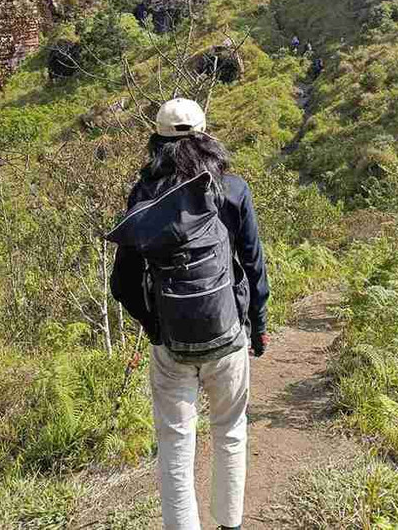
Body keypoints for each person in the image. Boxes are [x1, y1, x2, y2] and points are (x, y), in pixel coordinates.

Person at [109, 98, 270, 530]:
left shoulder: (145, 197)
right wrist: (257, 328)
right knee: (230, 433)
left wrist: (155, 327)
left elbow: (122, 284)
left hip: (173, 342)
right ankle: (230, 525)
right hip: (228, 332)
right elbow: (254, 265)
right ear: (206, 135)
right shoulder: (232, 189)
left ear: (156, 141)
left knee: (176, 448)